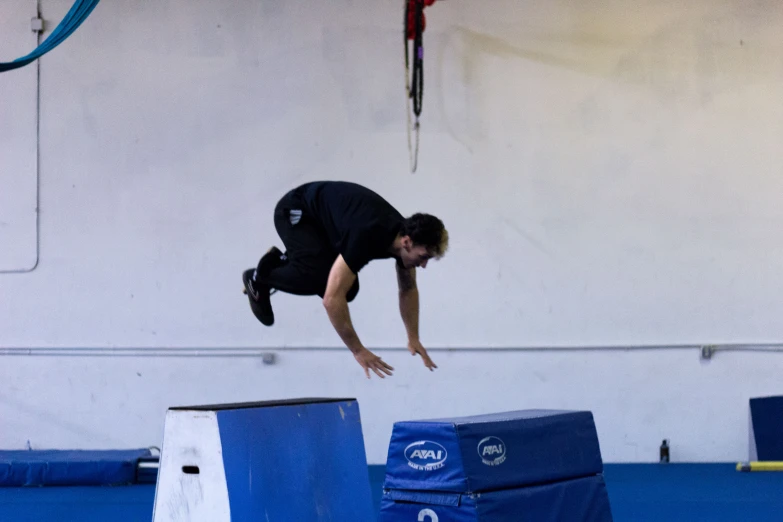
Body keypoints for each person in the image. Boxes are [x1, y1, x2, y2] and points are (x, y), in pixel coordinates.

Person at [242, 180, 448, 379]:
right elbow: (331, 300)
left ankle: (284, 260)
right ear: (407, 242)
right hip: (297, 209)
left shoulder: (401, 240)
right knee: (322, 281)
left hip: (328, 226)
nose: (424, 265)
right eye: (423, 258)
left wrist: (413, 337)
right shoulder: (367, 236)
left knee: (348, 290)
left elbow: (408, 289)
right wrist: (358, 350)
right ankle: (259, 276)